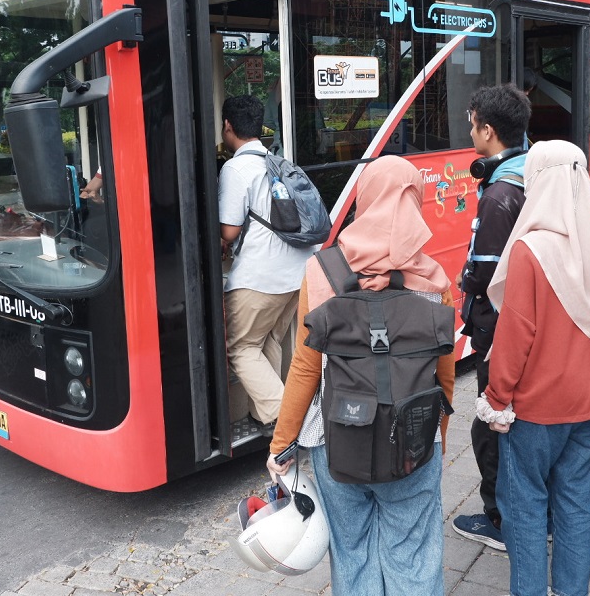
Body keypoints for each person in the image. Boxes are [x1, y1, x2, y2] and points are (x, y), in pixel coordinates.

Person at [267, 155, 455, 595]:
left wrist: (281, 446)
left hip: (337, 442)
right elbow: (444, 382)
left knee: (352, 556)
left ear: (364, 199)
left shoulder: (321, 272)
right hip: (412, 445)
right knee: (414, 556)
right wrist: (437, 440)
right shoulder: (435, 281)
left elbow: (305, 369)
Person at [482, 140, 590, 596]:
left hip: (537, 408)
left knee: (524, 505)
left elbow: (514, 337)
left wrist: (496, 398)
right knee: (576, 500)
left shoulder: (530, 250)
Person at [451, 84, 531, 551]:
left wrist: (465, 289)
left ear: (488, 130)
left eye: (472, 121)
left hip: (500, 329)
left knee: (491, 422)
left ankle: (500, 519)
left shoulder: (500, 194)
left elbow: (484, 272)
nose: (469, 129)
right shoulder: (531, 174)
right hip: (522, 325)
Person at [218, 94, 313, 432]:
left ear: (228, 126)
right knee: (267, 341)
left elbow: (228, 230)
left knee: (240, 347)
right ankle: (264, 416)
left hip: (261, 277)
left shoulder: (236, 167)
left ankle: (284, 419)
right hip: (297, 273)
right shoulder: (279, 162)